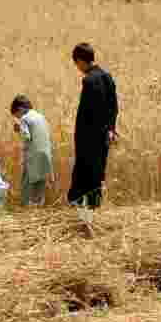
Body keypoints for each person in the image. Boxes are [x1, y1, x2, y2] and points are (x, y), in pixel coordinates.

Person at [67, 43, 118, 218]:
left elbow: (86, 115)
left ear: (80, 61)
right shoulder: (107, 77)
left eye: (76, 64)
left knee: (83, 179)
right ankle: (91, 217)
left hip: (88, 139)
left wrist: (79, 140)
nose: (78, 68)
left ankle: (85, 220)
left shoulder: (89, 80)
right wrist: (111, 129)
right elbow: (113, 107)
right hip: (103, 138)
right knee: (96, 177)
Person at [10, 95, 53, 206]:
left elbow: (26, 137)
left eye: (16, 115)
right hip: (45, 155)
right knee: (40, 185)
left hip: (32, 156)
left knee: (27, 184)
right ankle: (38, 208)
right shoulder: (40, 116)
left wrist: (19, 128)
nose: (18, 118)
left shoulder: (24, 119)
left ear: (20, 109)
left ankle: (25, 209)